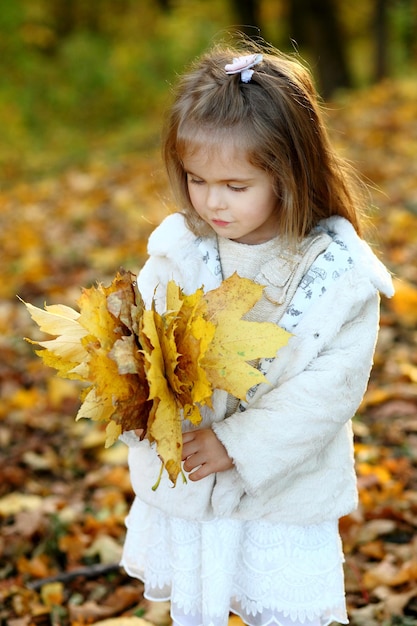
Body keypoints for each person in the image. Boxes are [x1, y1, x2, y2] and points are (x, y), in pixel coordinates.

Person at [120, 42, 394, 626]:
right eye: (196, 179)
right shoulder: (179, 250)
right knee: (200, 606)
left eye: (235, 186)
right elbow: (147, 343)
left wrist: (238, 444)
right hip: (192, 488)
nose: (211, 202)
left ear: (289, 174)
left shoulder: (337, 274)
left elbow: (328, 391)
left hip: (280, 496)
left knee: (282, 610)